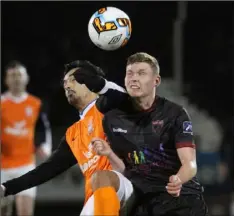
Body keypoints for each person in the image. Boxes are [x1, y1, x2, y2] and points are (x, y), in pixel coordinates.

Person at [73, 53, 209, 216]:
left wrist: (178, 179)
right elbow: (124, 169)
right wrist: (108, 153)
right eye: (129, 73)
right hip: (142, 200)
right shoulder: (112, 119)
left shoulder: (174, 114)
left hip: (180, 198)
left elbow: (190, 164)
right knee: (100, 177)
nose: (133, 78)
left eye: (141, 73)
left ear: (156, 81)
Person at [0, 61, 134, 216]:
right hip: (98, 198)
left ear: (89, 82)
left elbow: (126, 99)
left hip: (126, 184)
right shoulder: (73, 134)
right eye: (65, 83)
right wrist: (6, 188)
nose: (68, 86)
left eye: (74, 80)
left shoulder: (107, 108)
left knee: (101, 177)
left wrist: (100, 84)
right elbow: (46, 170)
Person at [1, 61, 52, 216]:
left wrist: (44, 146)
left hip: (25, 166)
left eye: (19, 75)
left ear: (26, 78)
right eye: (12, 75)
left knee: (25, 212)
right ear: (6, 80)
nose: (16, 79)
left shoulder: (35, 104)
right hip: (2, 166)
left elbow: (43, 128)